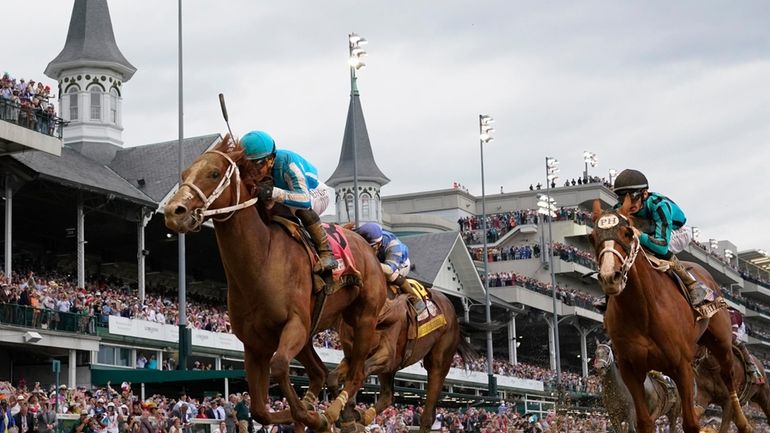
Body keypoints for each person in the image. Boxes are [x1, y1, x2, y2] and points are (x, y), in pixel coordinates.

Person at [240, 130, 336, 273]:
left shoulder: (288, 162)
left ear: (271, 159)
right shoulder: (257, 168)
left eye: (258, 164)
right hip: (288, 194)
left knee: (298, 209)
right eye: (248, 165)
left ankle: (326, 252)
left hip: (315, 193)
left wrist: (272, 192)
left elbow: (304, 199)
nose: (253, 170)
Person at [612, 169, 710, 307]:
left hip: (678, 231)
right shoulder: (618, 208)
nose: (629, 203)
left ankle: (693, 285)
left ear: (644, 194)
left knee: (656, 249)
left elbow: (662, 245)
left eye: (633, 197)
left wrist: (641, 236)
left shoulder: (659, 205)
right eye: (623, 198)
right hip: (651, 229)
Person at [356, 223, 427, 314]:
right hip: (377, 261)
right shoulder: (360, 234)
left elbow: (389, 270)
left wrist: (370, 263)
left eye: (370, 247)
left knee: (390, 276)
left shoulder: (393, 245)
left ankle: (415, 299)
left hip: (399, 264)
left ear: (378, 244)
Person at [728, 308, 762, 382]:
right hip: (728, 329)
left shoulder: (731, 314)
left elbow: (734, 332)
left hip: (738, 328)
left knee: (738, 343)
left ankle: (751, 367)